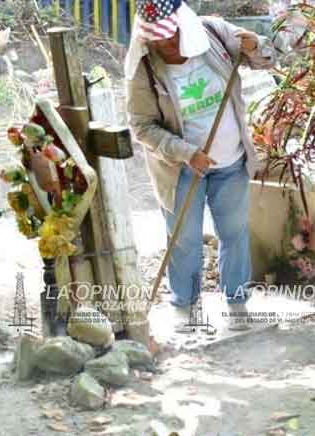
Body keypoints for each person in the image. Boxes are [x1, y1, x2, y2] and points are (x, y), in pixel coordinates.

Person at [125, 0, 275, 331]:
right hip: (181, 169)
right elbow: (141, 125)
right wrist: (186, 152)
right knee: (186, 239)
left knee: (234, 232)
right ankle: (185, 307)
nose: (165, 45)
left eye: (171, 36)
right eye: (158, 40)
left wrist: (255, 45)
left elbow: (263, 56)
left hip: (231, 160)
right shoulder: (143, 67)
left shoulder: (213, 32)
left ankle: (237, 303)